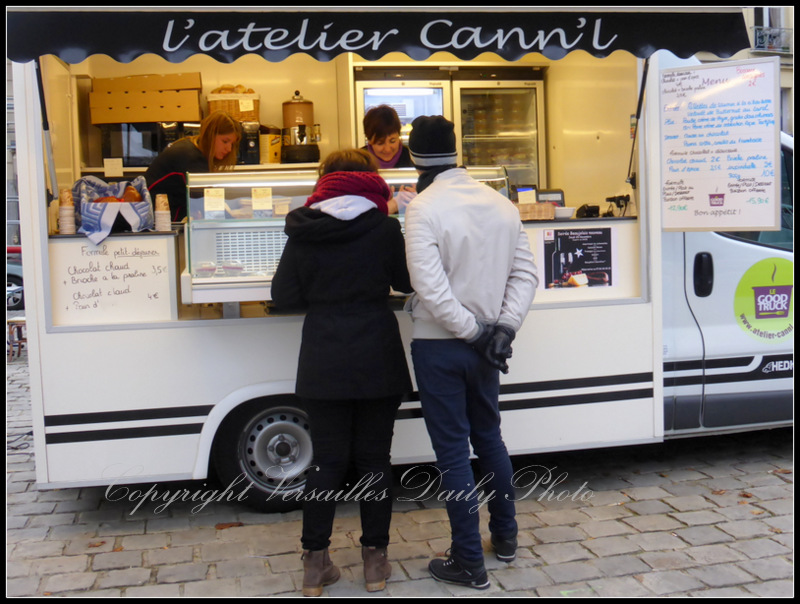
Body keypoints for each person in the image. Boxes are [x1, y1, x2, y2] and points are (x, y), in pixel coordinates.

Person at [403, 116, 539, 590]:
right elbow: (525, 275)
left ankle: (467, 561)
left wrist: (474, 332)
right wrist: (501, 329)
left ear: (415, 157)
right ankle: (505, 538)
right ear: (456, 150)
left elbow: (430, 288)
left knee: (453, 454)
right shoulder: (499, 202)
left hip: (441, 346)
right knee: (490, 439)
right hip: (487, 347)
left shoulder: (422, 208)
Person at [271, 148, 413, 597]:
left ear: (324, 181)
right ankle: (375, 563)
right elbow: (407, 282)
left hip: (323, 353)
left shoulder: (304, 229)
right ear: (370, 180)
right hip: (376, 349)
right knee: (374, 460)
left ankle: (316, 564)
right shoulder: (384, 228)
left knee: (326, 461)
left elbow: (284, 295)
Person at [145, 111, 240, 222]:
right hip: (154, 221)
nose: (229, 149)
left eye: (232, 144)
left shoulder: (191, 147)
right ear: (210, 135)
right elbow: (209, 204)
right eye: (225, 141)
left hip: (162, 219)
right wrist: (235, 220)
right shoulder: (191, 157)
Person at [362, 104, 416, 214]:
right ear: (369, 140)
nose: (387, 149)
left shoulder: (412, 157)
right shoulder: (359, 162)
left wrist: (419, 196)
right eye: (380, 143)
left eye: (392, 141)